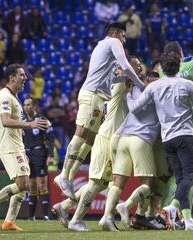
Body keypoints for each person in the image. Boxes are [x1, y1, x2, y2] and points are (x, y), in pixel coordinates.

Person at [54, 22, 144, 200]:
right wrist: (141, 85)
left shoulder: (102, 48)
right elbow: (126, 66)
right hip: (91, 94)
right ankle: (64, 175)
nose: (124, 41)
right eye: (124, 37)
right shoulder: (112, 42)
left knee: (88, 139)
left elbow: (117, 73)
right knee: (80, 134)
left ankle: (69, 177)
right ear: (115, 33)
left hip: (98, 97)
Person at [53, 56, 142, 231]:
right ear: (122, 67)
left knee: (101, 183)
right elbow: (129, 77)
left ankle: (64, 207)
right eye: (136, 65)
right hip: (107, 138)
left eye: (140, 65)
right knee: (96, 182)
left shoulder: (120, 86)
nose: (139, 68)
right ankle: (76, 220)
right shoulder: (119, 82)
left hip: (111, 138)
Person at [127, 51, 193, 231]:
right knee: (191, 176)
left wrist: (127, 94)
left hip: (167, 139)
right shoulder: (187, 85)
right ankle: (171, 207)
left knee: (181, 178)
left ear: (162, 68)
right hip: (185, 136)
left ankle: (188, 221)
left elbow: (134, 108)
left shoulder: (154, 87)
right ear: (178, 66)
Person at [0, 64, 48, 231]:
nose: (25, 78)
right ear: (12, 77)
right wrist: (29, 125)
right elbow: (6, 121)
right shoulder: (5, 97)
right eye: (22, 75)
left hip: (17, 145)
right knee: (23, 183)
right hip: (9, 146)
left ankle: (9, 222)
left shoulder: (13, 97)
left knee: (23, 182)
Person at [99, 69, 161, 231]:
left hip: (121, 137)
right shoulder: (159, 93)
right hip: (140, 139)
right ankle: (127, 206)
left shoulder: (135, 88)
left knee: (118, 182)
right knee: (149, 183)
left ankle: (107, 217)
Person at [23, 97, 54, 221]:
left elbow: (51, 138)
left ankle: (46, 215)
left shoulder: (42, 120)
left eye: (29, 105)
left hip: (39, 154)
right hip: (27, 155)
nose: (26, 107)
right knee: (31, 187)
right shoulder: (23, 121)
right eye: (25, 105)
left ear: (34, 106)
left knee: (42, 186)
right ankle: (31, 216)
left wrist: (50, 155)